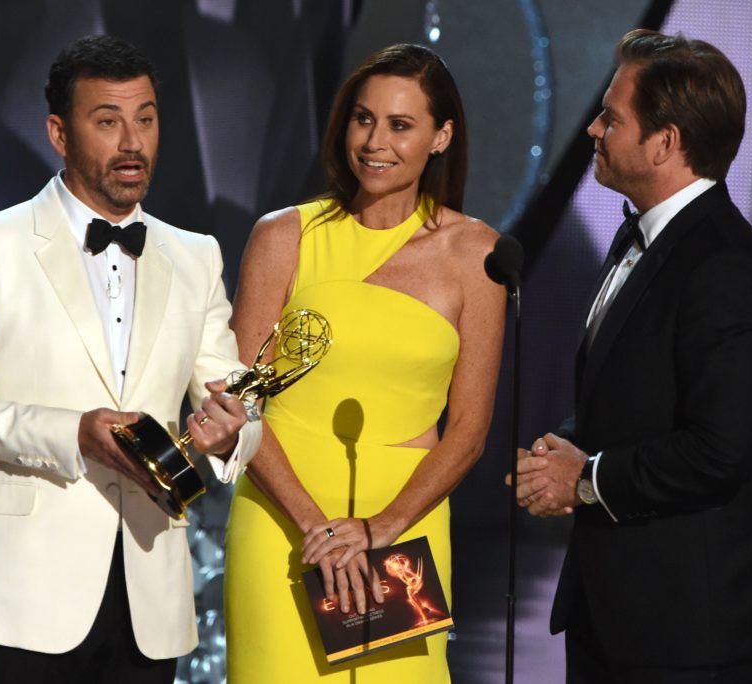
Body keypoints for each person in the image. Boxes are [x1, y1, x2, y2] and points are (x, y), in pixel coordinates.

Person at [0, 35, 261, 683]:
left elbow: (235, 397)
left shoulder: (195, 254)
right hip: (19, 598)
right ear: (59, 133)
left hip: (150, 598)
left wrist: (232, 432)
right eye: (108, 121)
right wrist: (71, 432)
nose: (133, 142)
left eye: (146, 119)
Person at [512, 29, 752, 683]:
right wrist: (558, 453)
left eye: (612, 117)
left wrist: (586, 478)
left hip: (694, 631)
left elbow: (722, 450)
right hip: (616, 613)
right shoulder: (642, 237)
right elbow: (634, 394)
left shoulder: (721, 266)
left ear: (665, 143)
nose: (592, 127)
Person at [224, 43, 505, 681]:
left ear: (442, 136)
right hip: (283, 518)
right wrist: (314, 527)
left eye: (401, 125)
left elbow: (468, 431)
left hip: (402, 529)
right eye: (363, 118)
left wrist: (381, 528)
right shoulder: (283, 235)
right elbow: (241, 399)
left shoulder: (477, 255)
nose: (375, 141)